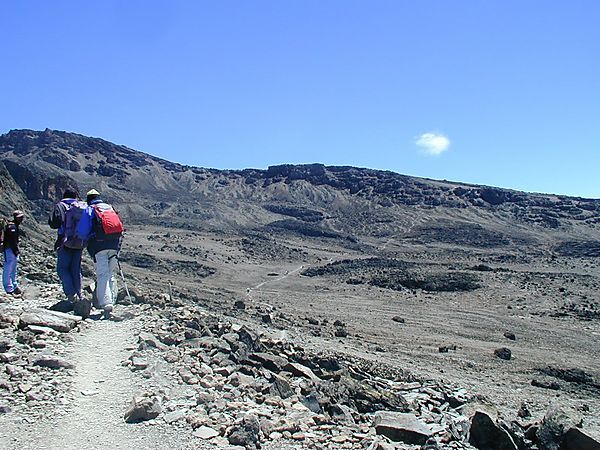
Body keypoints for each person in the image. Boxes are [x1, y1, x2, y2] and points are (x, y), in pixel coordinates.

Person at [77, 189, 123, 319]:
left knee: (102, 274)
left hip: (98, 245)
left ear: (89, 199)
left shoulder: (90, 209)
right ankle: (112, 299)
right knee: (110, 273)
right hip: (114, 244)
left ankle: (107, 305)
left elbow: (82, 230)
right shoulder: (109, 207)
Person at [48, 189, 88, 313]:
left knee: (63, 269)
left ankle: (71, 294)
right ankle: (80, 295)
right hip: (80, 243)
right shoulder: (82, 207)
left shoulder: (61, 205)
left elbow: (54, 223)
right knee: (75, 270)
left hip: (65, 242)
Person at [3, 210, 25, 295]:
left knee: (13, 270)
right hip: (9, 250)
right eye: (20, 217)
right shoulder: (12, 227)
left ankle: (14, 286)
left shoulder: (15, 225)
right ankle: (8, 289)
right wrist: (15, 250)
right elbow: (12, 241)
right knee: (8, 269)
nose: (21, 219)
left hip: (11, 250)